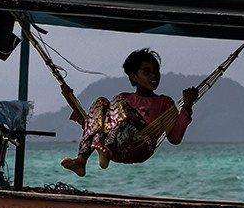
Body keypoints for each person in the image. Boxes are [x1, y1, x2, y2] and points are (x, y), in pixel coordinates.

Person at [60, 49, 194, 178]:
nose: (154, 76)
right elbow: (92, 126)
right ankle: (81, 160)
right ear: (134, 77)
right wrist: (70, 99)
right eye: (147, 72)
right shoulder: (125, 98)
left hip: (140, 146)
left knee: (118, 102)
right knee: (100, 101)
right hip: (116, 148)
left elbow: (175, 139)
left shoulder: (164, 102)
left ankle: (107, 149)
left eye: (156, 72)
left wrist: (187, 106)